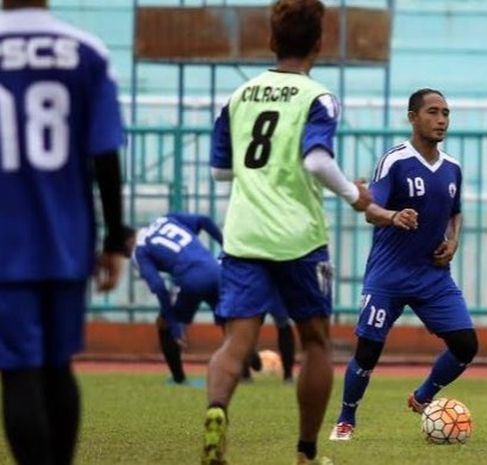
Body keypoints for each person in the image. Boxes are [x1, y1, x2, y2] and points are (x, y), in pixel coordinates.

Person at [203, 1, 372, 464]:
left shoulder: (236, 97)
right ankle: (306, 452)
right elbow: (316, 160)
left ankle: (217, 411)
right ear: (319, 44)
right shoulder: (317, 98)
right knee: (315, 342)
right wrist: (358, 197)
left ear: (272, 41)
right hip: (298, 236)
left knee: (236, 342)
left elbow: (220, 172)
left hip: (244, 235)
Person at [0, 1, 127, 464]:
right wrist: (115, 239)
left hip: (5, 245)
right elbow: (106, 156)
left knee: (17, 371)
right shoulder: (87, 52)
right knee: (58, 367)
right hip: (67, 240)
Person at [329, 88, 478, 441]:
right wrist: (393, 216)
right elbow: (370, 210)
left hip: (433, 276)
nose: (441, 119)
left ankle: (424, 396)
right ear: (413, 117)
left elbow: (455, 214)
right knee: (368, 351)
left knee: (466, 346)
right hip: (389, 275)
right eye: (432, 112)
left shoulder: (453, 167)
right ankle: (346, 419)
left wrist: (453, 240)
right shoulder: (394, 161)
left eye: (445, 113)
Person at [127, 213, 296, 386]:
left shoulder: (139, 250)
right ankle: (251, 366)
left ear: (126, 243)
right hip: (216, 271)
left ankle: (178, 379)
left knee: (164, 323)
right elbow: (204, 220)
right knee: (232, 322)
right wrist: (225, 245)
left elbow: (159, 287)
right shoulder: (166, 219)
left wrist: (173, 324)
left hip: (190, 280)